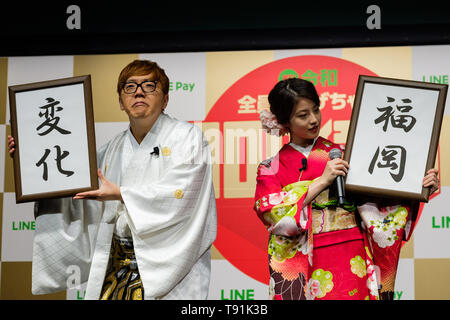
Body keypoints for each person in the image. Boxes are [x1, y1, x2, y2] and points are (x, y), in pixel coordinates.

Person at [8, 59, 217, 300]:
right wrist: (29, 156)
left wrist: (121, 193)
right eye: (129, 87)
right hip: (116, 262)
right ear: (120, 102)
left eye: (149, 85)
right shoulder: (111, 149)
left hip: (168, 263)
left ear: (166, 99)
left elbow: (183, 195)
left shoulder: (188, 137)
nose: (139, 91)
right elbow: (76, 193)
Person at [254, 78, 439, 300]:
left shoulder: (348, 154)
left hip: (351, 253)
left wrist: (418, 184)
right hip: (305, 259)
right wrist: (321, 182)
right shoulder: (270, 168)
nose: (314, 120)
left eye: (315, 110)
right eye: (303, 115)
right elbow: (273, 215)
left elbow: (387, 196)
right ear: (284, 121)